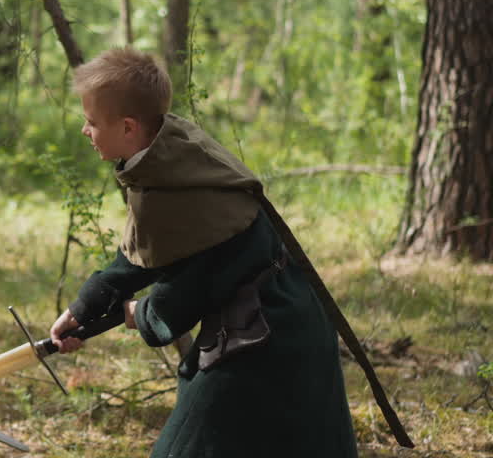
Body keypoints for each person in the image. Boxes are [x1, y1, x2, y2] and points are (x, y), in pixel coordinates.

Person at [50, 47, 357, 457]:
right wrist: (86, 306)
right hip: (271, 320)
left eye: (91, 123)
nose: (85, 131)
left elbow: (179, 301)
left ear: (127, 127)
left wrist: (132, 314)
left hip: (268, 338)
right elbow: (147, 249)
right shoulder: (164, 157)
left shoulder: (178, 185)